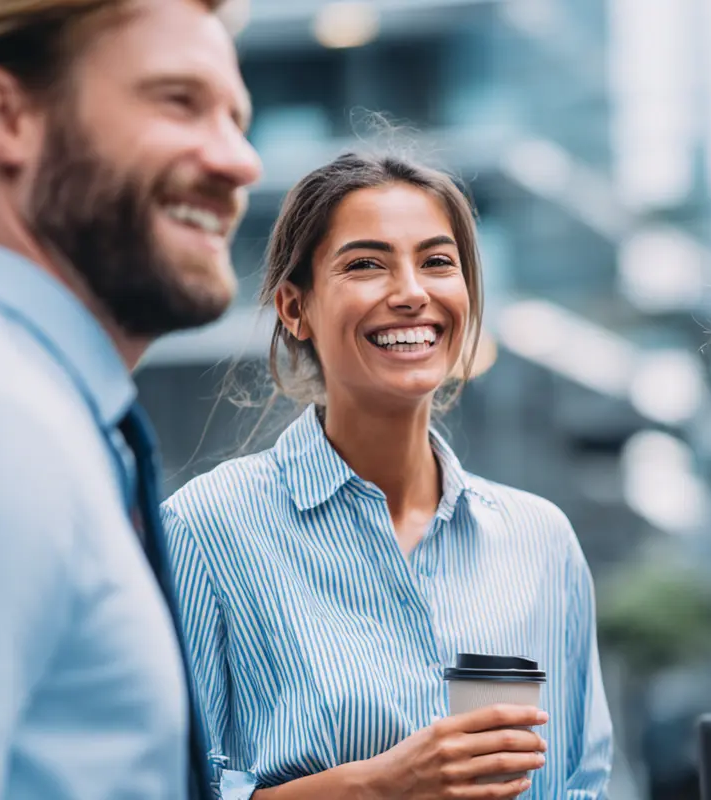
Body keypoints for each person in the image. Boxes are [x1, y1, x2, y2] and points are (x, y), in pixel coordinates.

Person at [161, 151, 613, 800]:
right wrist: (380, 786)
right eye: (366, 265)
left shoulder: (541, 542)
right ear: (295, 308)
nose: (410, 293)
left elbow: (580, 786)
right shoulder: (207, 530)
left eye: (437, 262)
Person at [0, 1, 261, 799]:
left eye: (238, 118)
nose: (240, 161)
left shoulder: (58, 424)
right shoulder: (3, 425)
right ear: (5, 117)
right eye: (178, 101)